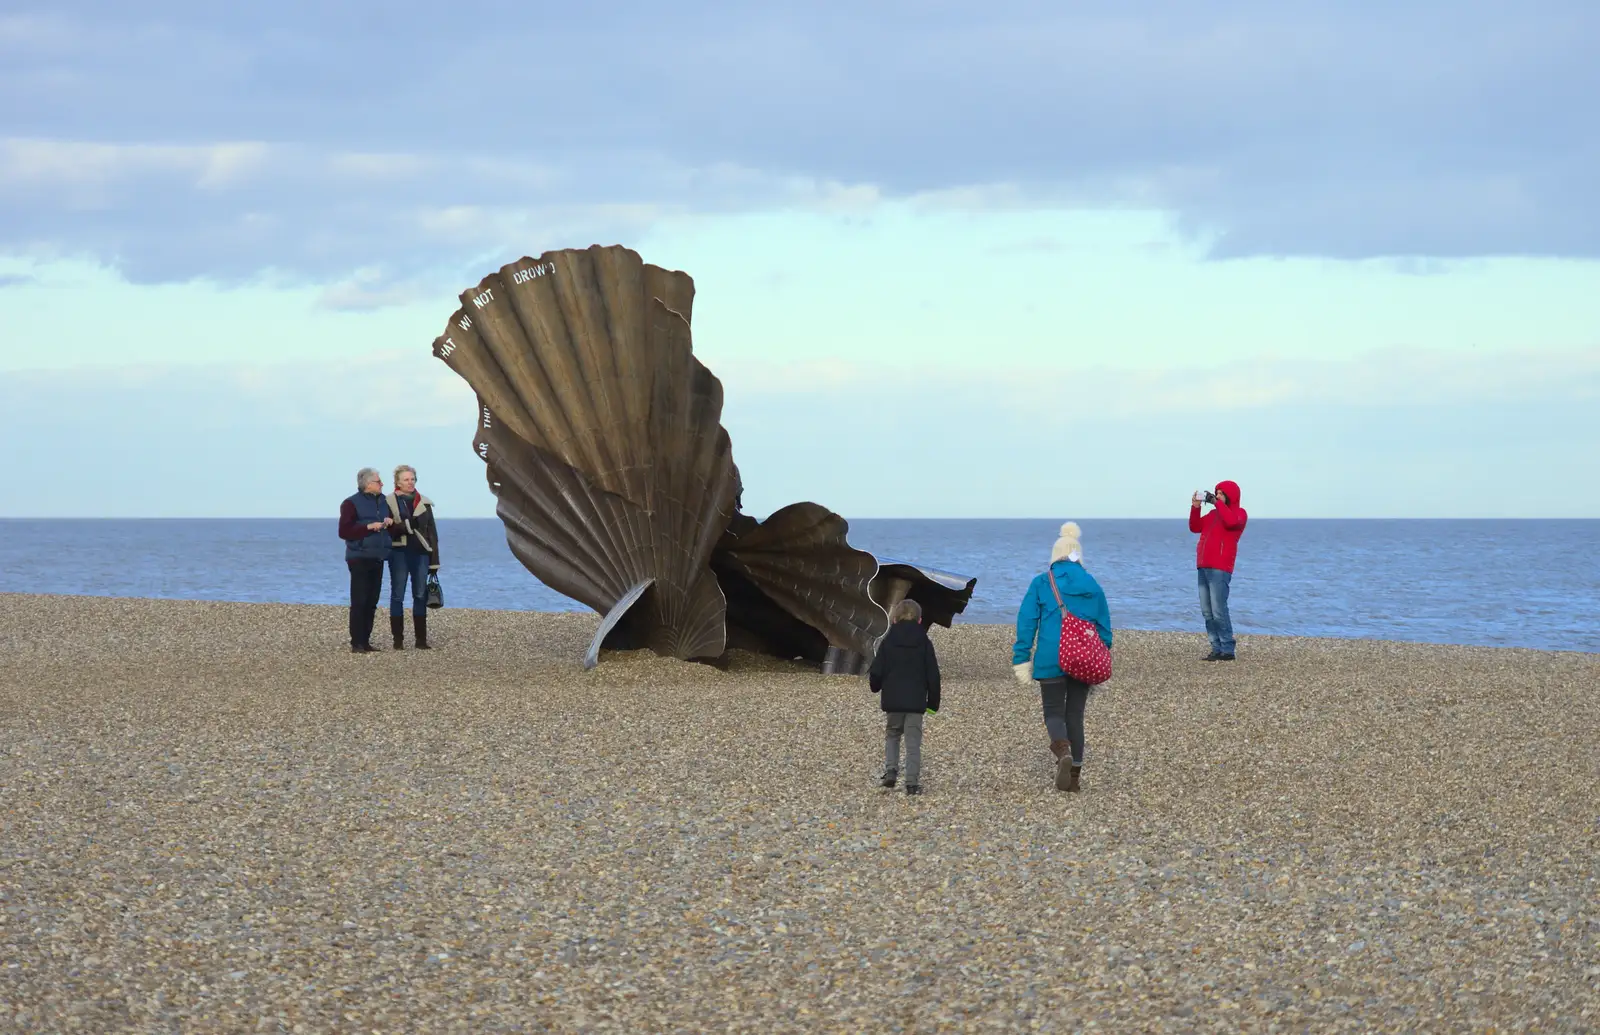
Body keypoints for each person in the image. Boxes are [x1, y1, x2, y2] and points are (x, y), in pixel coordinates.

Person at [1011, 522, 1113, 793]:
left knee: (1053, 713)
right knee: (1075, 716)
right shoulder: (1092, 584)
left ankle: (1063, 751)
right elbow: (1105, 627)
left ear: (1054, 556)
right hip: (1083, 659)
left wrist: (1022, 657)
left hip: (1050, 657)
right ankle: (1075, 778)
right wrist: (1101, 655)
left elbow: (1027, 621)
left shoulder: (1043, 582)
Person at [868, 598, 942, 796]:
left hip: (893, 700)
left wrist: (875, 687)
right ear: (919, 621)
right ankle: (911, 783)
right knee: (913, 742)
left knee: (892, 735)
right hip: (916, 703)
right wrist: (932, 704)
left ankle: (891, 772)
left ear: (894, 620)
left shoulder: (888, 642)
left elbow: (876, 671)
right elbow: (933, 676)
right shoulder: (924, 643)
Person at [1189, 480, 1248, 661]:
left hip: (1220, 568)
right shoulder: (1213, 514)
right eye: (1217, 493)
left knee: (1218, 610)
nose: (1218, 496)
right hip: (1204, 566)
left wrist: (1217, 504)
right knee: (1207, 612)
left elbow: (1230, 522)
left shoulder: (1239, 514)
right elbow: (1195, 527)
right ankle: (1215, 648)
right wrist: (1196, 507)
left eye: (1222, 493)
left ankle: (1227, 649)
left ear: (1231, 496)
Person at [385, 464, 441, 650]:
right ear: (398, 483)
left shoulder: (424, 503)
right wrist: (406, 526)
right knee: (397, 595)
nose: (410, 482)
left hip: (421, 553)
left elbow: (432, 532)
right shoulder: (388, 502)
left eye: (412, 479)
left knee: (419, 594)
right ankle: (398, 641)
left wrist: (434, 561)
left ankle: (421, 640)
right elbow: (388, 529)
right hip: (398, 552)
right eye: (406, 480)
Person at [338, 467, 393, 653]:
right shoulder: (350, 503)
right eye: (378, 481)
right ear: (368, 484)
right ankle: (357, 642)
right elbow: (344, 531)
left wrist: (389, 522)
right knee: (359, 600)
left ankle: (366, 641)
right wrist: (368, 527)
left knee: (372, 601)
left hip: (378, 555)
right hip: (359, 556)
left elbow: (390, 521)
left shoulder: (384, 501)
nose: (382, 484)